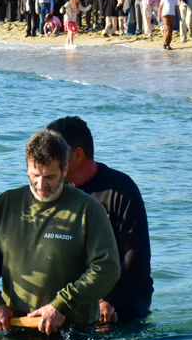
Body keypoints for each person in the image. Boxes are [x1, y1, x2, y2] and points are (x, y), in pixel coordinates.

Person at [0, 129, 120, 334]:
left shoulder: (88, 210)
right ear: (27, 168)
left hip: (72, 331)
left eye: (50, 177)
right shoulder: (6, 204)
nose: (41, 185)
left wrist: (61, 305)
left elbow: (107, 268)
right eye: (35, 175)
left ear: (65, 170)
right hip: (16, 327)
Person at [47, 116, 153, 324]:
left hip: (124, 300)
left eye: (57, 156)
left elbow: (137, 257)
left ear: (78, 155)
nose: (51, 163)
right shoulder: (54, 190)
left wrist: (111, 300)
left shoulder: (121, 190)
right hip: (74, 297)